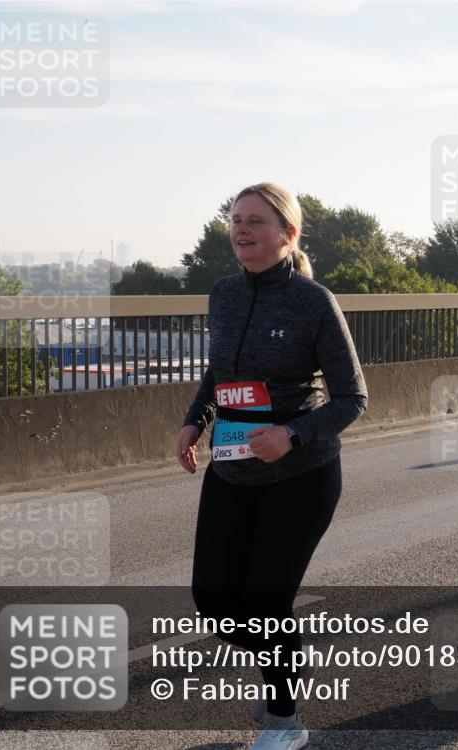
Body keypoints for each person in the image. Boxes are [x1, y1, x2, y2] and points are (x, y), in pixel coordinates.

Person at [176, 182, 367, 750]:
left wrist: (291, 434)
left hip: (301, 474)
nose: (241, 229)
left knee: (265, 603)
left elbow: (352, 397)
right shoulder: (223, 294)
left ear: (288, 233)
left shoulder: (313, 301)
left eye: (256, 221)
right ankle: (287, 659)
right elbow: (219, 375)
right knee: (213, 601)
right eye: (236, 219)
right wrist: (195, 420)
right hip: (232, 467)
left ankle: (285, 720)